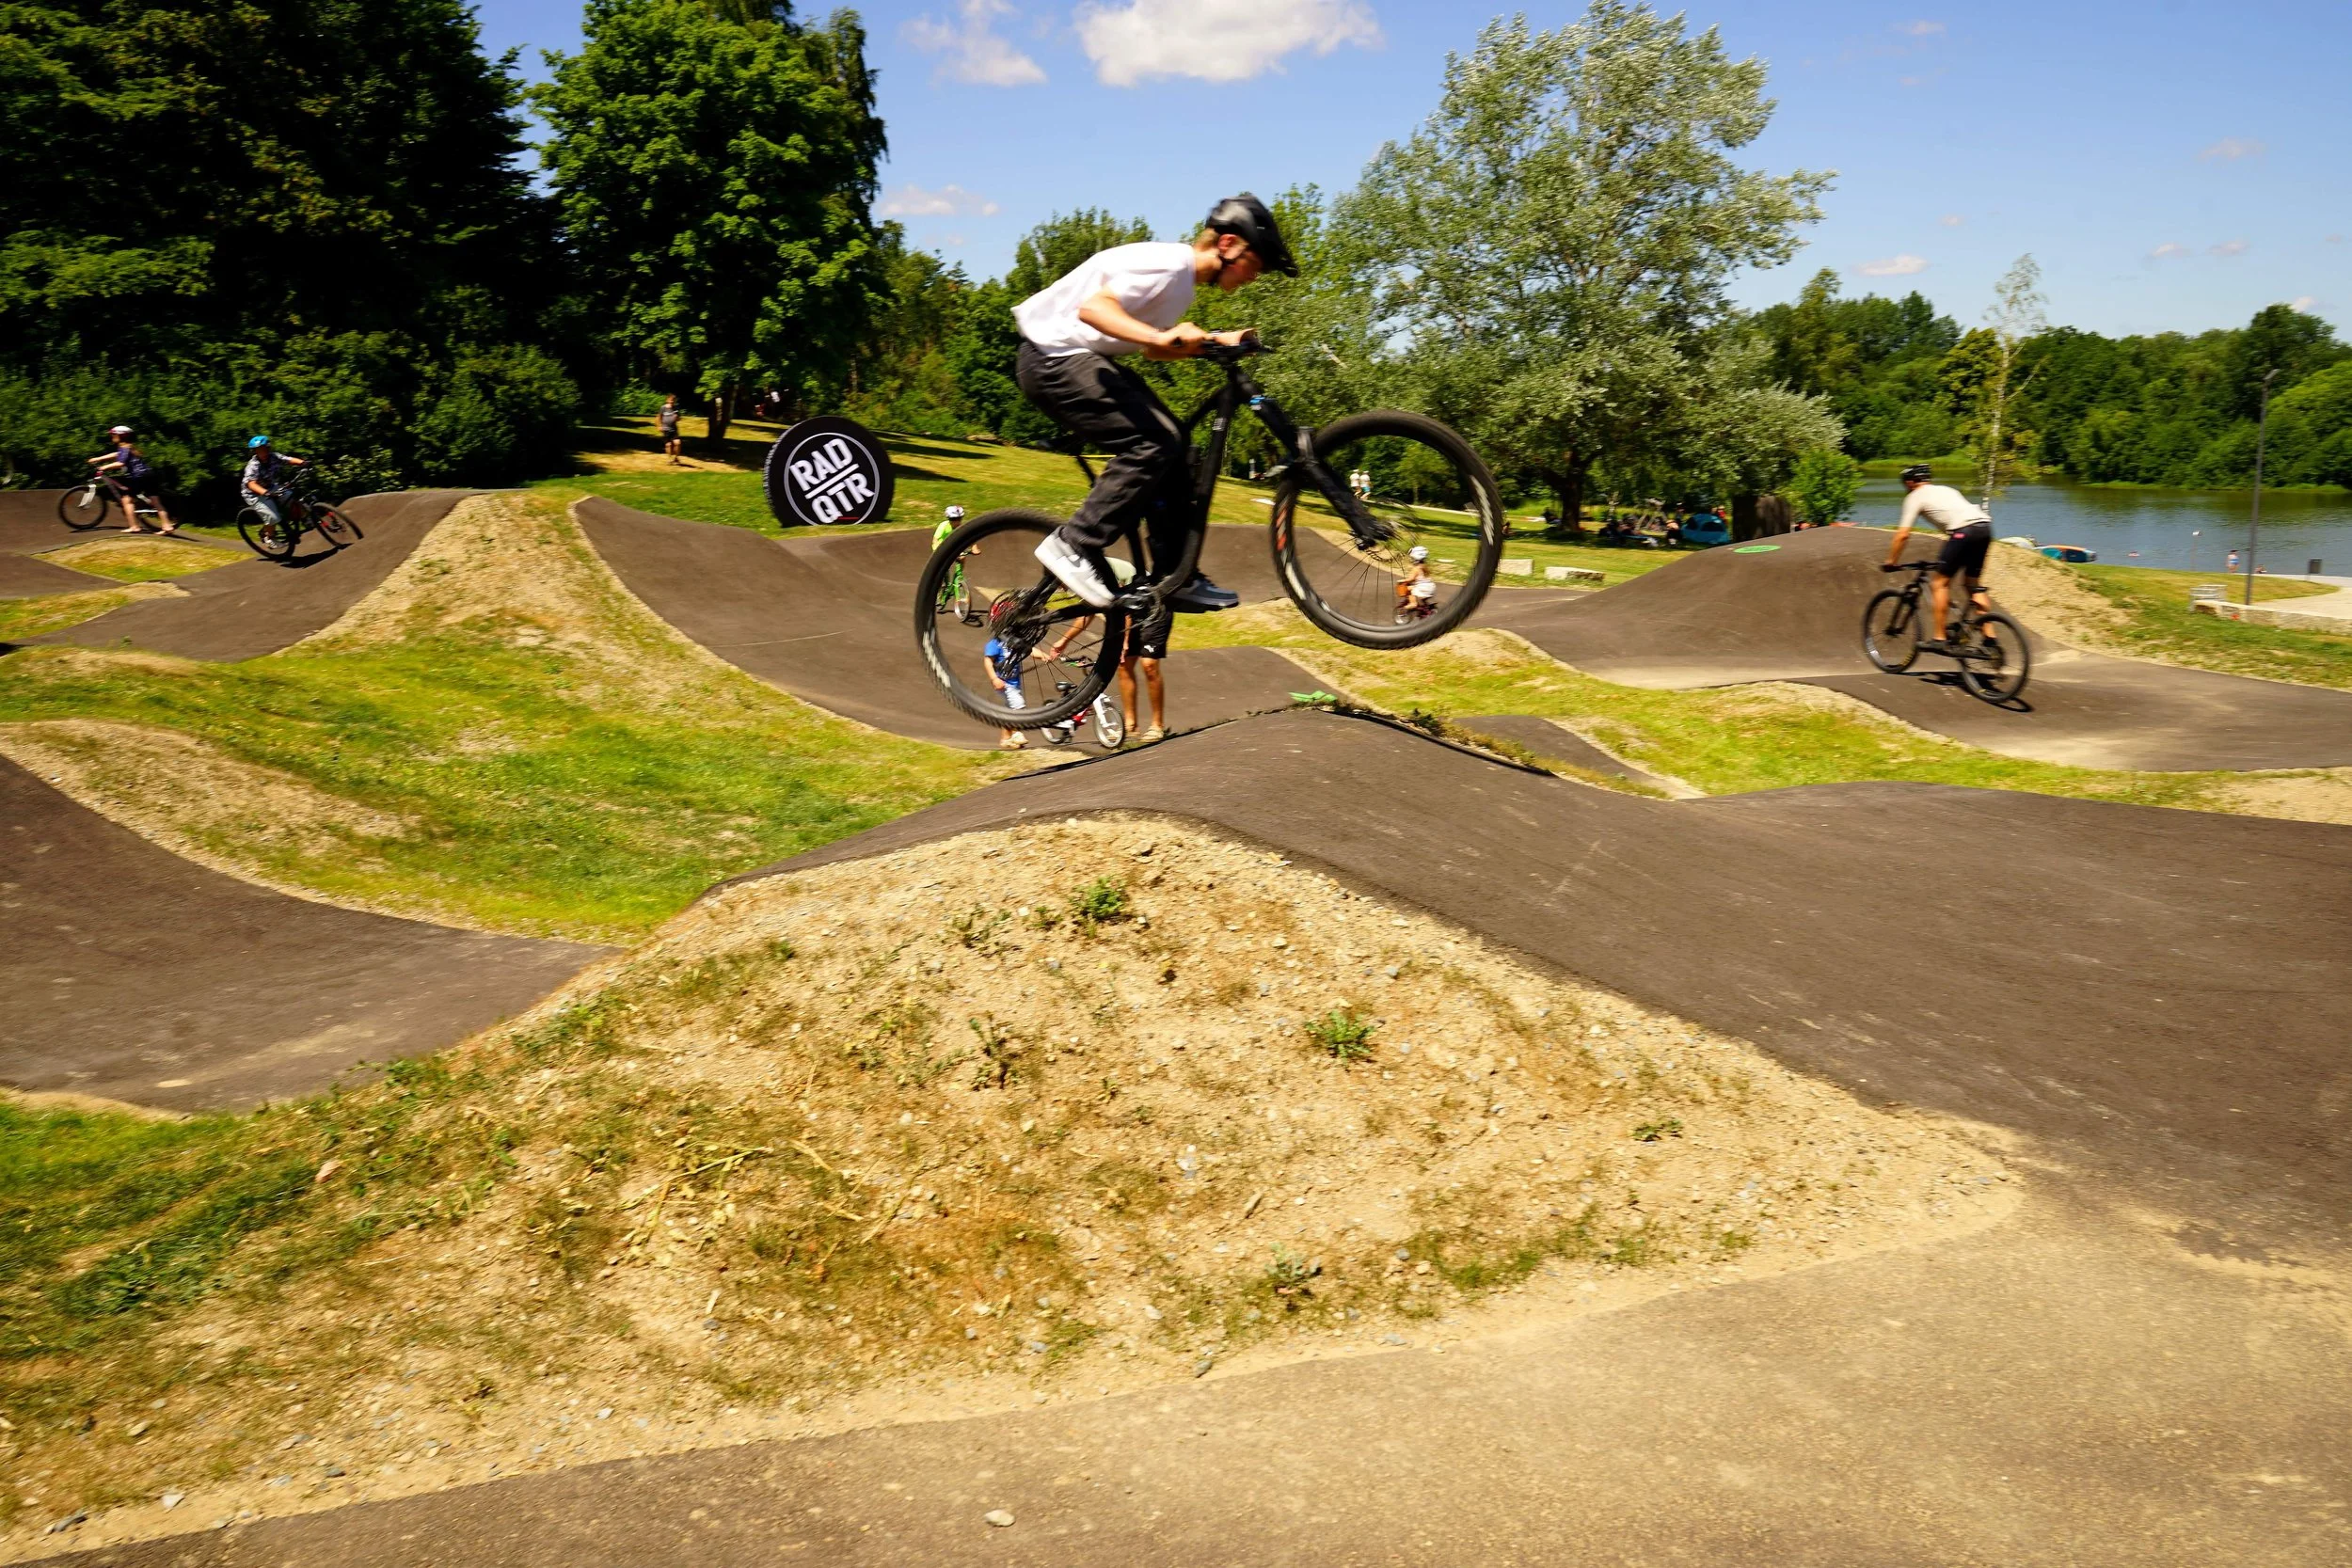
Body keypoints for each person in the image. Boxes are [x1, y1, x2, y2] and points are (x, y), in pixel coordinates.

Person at [1014, 194, 1295, 612]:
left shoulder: (1182, 287)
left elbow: (1156, 351)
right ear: (1229, 244)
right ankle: (1073, 545)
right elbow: (1095, 310)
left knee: (1176, 441)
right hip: (1051, 356)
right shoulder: (1170, 266)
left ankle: (1173, 575)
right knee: (1156, 441)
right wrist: (1157, 337)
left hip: (1075, 357)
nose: (1257, 275)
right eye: (1258, 261)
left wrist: (1216, 340)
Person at [1883, 465, 1994, 653]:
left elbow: (1903, 534)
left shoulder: (1914, 497)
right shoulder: (1946, 489)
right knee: (1973, 585)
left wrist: (1891, 561)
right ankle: (1990, 639)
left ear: (1910, 482)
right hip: (1984, 529)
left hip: (1963, 532)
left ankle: (1939, 638)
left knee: (1939, 584)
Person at [87, 425, 179, 533]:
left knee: (127, 500)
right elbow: (116, 455)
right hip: (149, 474)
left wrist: (104, 467)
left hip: (138, 475)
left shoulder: (125, 448)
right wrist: (99, 458)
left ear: (121, 436)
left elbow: (121, 462)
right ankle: (167, 526)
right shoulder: (128, 447)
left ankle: (134, 526)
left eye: (113, 434)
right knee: (155, 501)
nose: (111, 436)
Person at [240, 436, 307, 528]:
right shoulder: (253, 466)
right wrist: (266, 493)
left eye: (264, 448)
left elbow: (288, 460)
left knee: (290, 496)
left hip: (270, 487)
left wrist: (303, 463)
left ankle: (302, 519)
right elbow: (251, 484)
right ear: (255, 452)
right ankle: (270, 537)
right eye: (259, 450)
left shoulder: (274, 456)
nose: (263, 452)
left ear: (268, 447)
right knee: (273, 518)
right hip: (254, 494)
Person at [982, 635, 1028, 750]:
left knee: (1010, 710)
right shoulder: (995, 643)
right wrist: (994, 679)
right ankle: (1017, 734)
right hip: (1003, 683)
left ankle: (1005, 739)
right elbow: (987, 661)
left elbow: (1030, 650)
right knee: (1018, 705)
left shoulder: (1015, 640)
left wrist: (1043, 656)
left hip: (1015, 683)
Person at [1394, 544, 1437, 619]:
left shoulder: (1416, 568)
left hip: (1423, 588)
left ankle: (1413, 604)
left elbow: (1411, 579)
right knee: (1419, 593)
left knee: (1409, 589)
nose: (1411, 559)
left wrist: (1401, 581)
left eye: (1412, 558)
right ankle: (1425, 608)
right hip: (1431, 587)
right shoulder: (1425, 567)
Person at [659, 394, 684, 466]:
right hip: (666, 429)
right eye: (671, 400)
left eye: (673, 400)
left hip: (674, 429)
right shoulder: (663, 408)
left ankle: (676, 458)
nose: (672, 401)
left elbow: (679, 419)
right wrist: (659, 426)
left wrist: (677, 418)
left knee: (678, 443)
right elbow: (659, 417)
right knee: (668, 445)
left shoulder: (676, 409)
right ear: (667, 400)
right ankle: (669, 459)